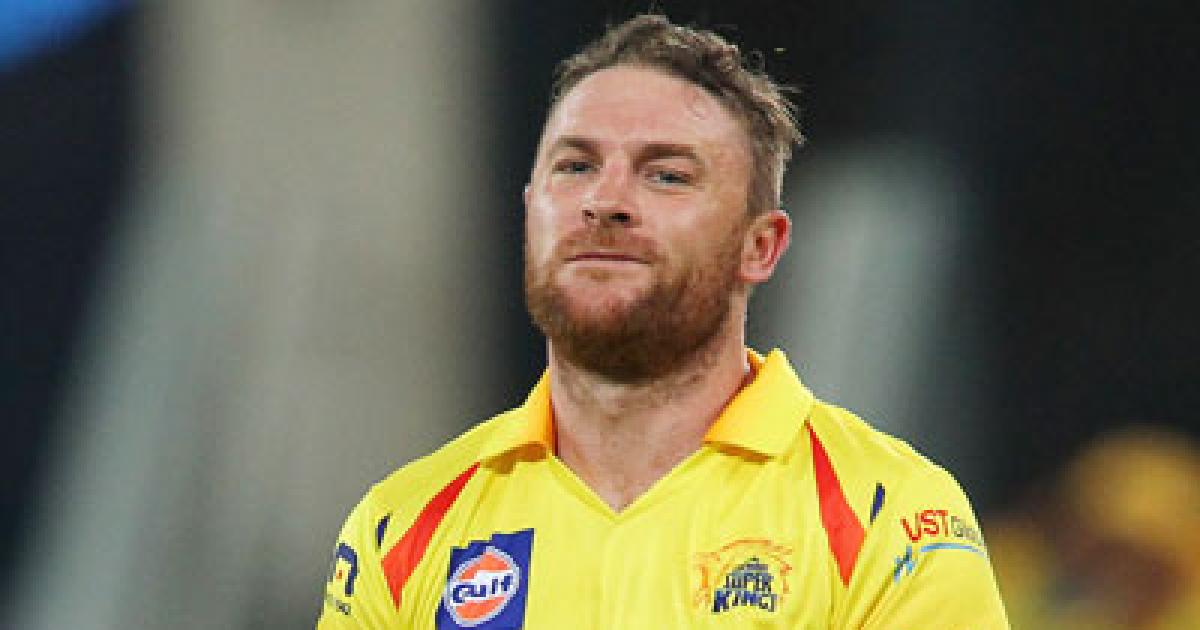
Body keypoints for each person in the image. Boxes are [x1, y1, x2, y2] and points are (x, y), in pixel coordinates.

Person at [316, 14, 1008, 629]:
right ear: (530, 210)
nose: (605, 201)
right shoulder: (402, 528)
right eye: (576, 166)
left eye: (666, 175)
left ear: (760, 247)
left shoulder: (889, 519)